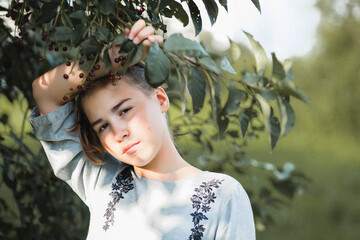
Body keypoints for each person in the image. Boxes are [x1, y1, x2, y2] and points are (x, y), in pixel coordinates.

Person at [29, 19, 256, 239]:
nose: (119, 133)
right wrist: (115, 57)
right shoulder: (100, 182)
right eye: (103, 126)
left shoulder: (223, 194)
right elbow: (45, 92)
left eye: (124, 110)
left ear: (160, 99)